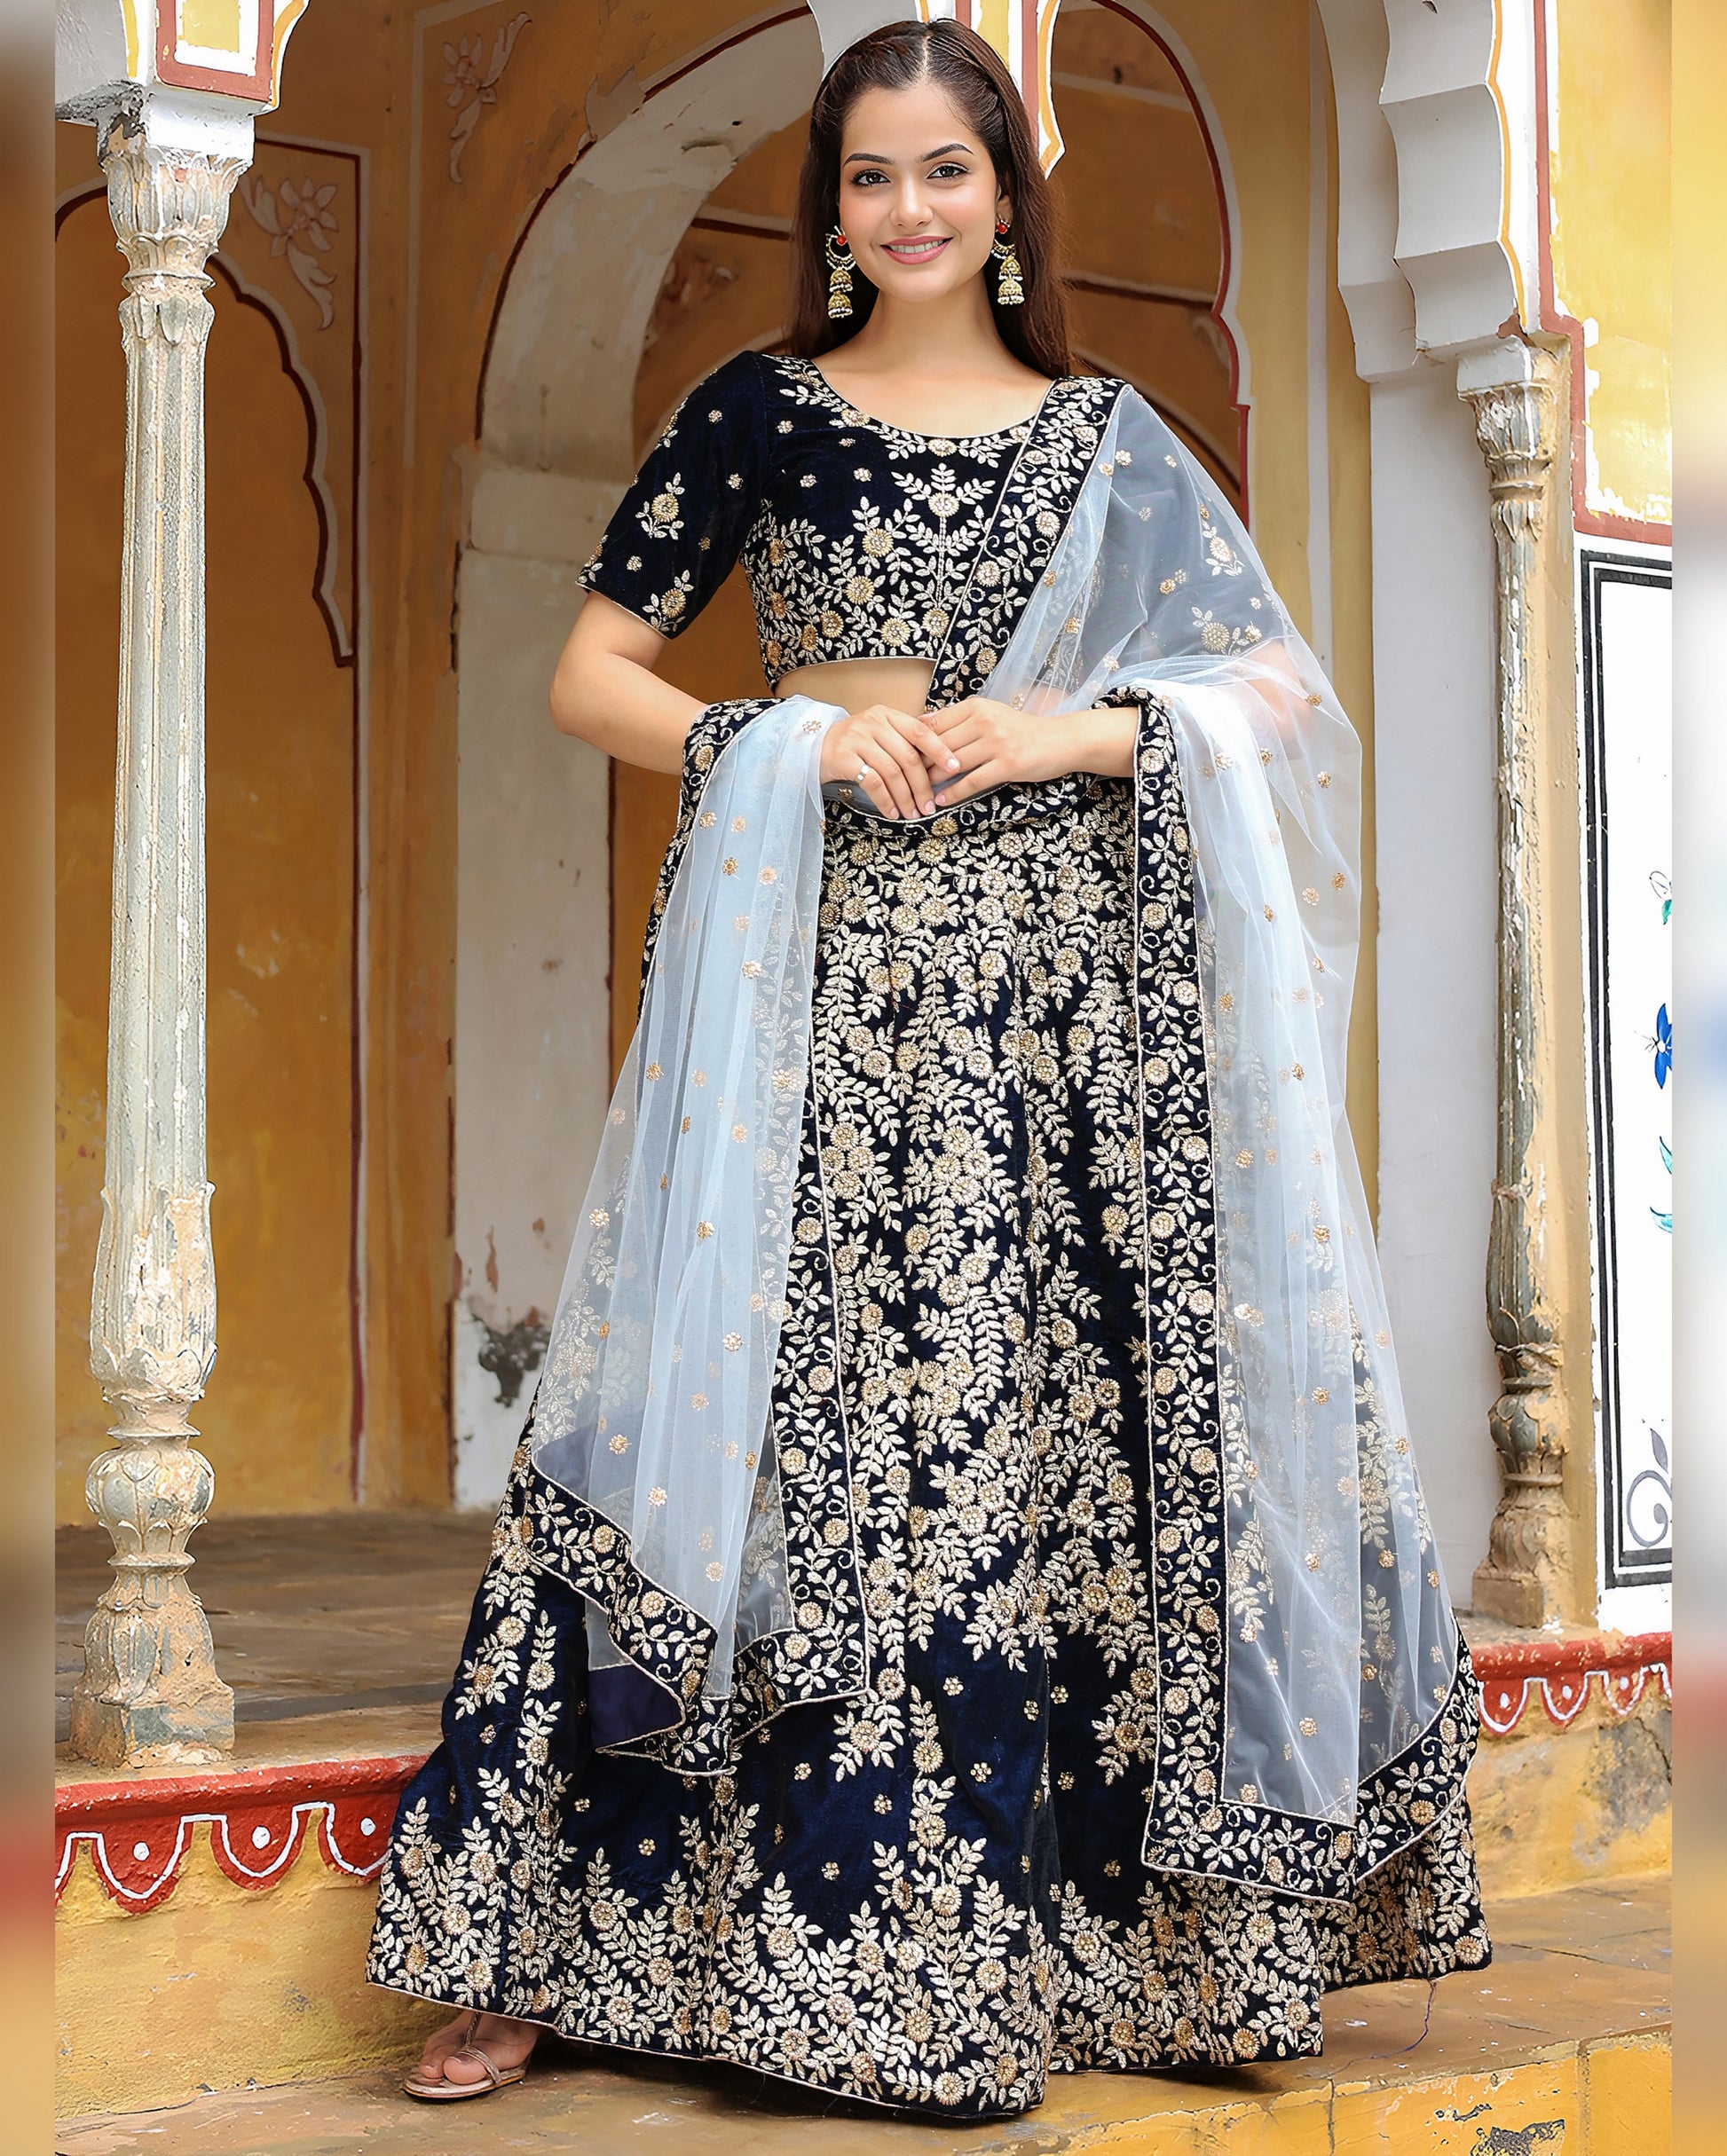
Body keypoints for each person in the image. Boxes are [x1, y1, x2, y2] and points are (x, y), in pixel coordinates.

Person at [369, 17, 1488, 2119]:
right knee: (759, 1417)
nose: (905, 210)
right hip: (831, 981)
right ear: (830, 205)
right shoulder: (758, 410)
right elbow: (591, 672)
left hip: (1070, 1010)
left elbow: (1269, 687)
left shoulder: (1107, 434)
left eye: (943, 172)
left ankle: (1117, 1956)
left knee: (1055, 1442)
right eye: (869, 175)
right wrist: (784, 741)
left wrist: (1072, 727)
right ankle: (555, 1939)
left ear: (1005, 195)